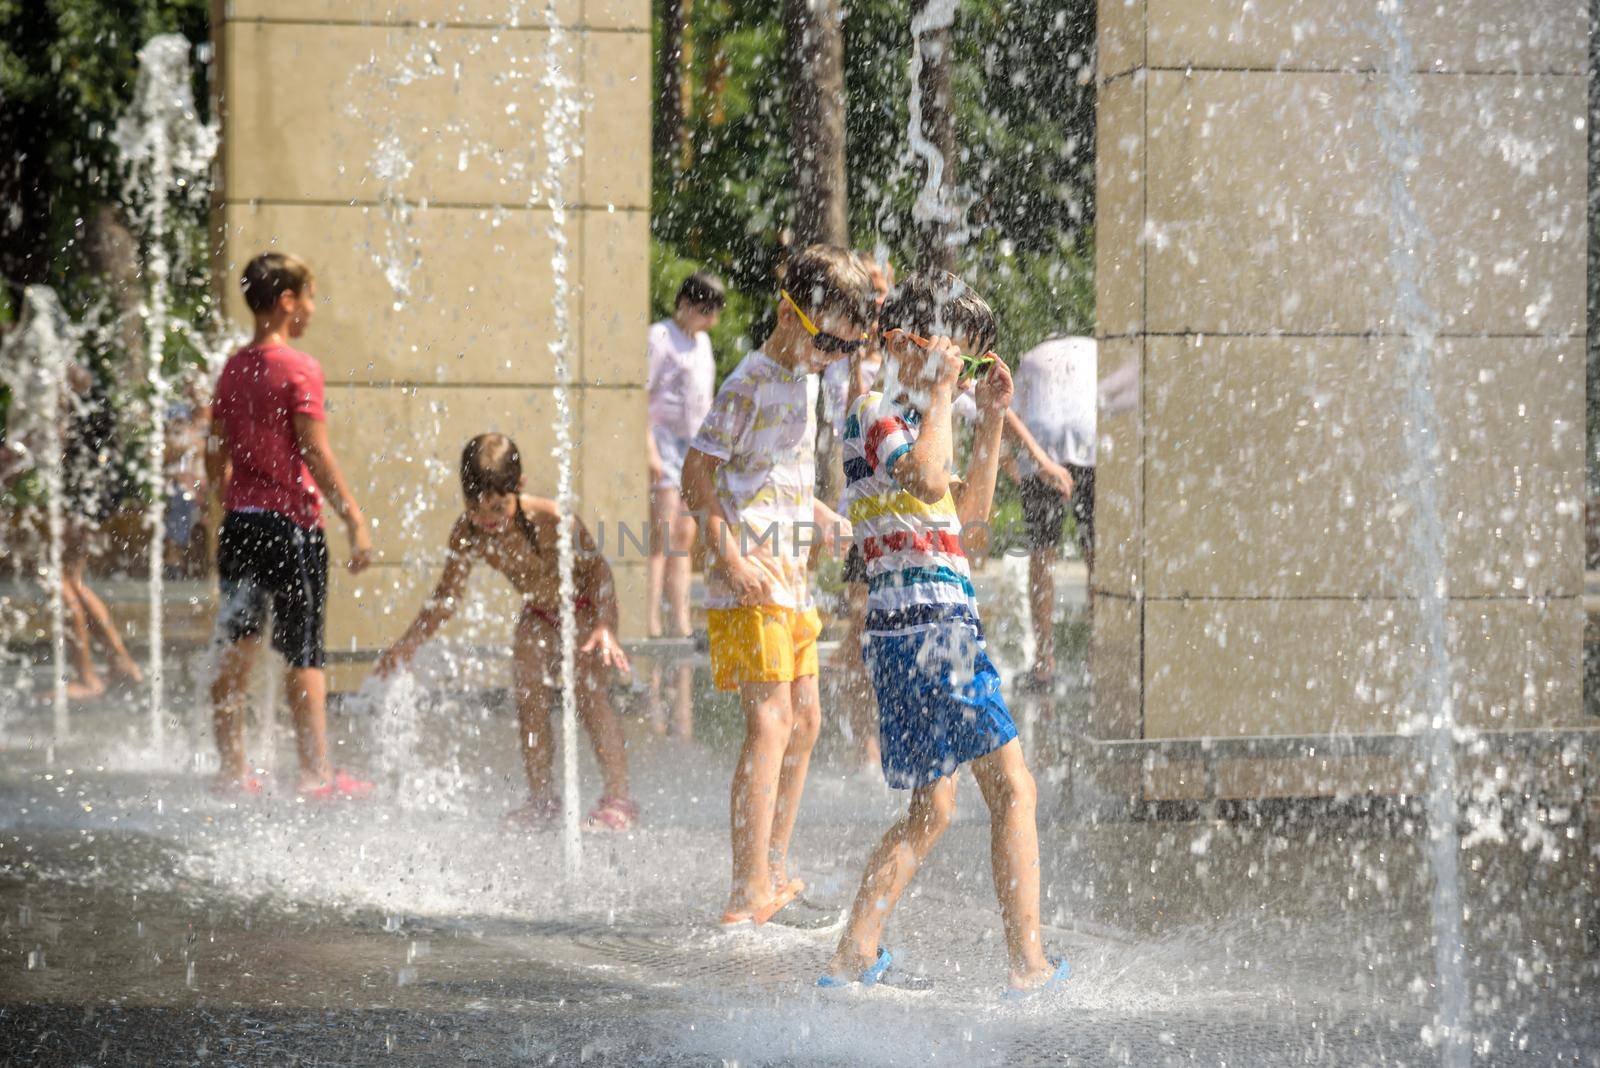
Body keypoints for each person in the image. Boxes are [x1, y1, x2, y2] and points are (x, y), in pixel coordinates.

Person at [819, 271, 1069, 995]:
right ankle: (1029, 966)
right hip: (933, 631)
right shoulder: (876, 411)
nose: (958, 380)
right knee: (1014, 790)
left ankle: (854, 955)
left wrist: (989, 419)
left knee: (934, 807)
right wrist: (938, 396)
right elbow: (930, 481)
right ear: (901, 345)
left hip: (915, 631)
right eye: (952, 361)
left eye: (969, 368)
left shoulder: (913, 417)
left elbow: (973, 522)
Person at [680, 244, 870, 925]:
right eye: (829, 342)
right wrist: (728, 558)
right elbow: (696, 477)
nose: (836, 358)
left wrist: (821, 515)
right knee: (769, 723)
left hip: (791, 577)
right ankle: (744, 889)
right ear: (791, 314)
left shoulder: (809, 382)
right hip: (748, 577)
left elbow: (772, 472)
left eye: (847, 348)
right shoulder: (750, 381)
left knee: (807, 721)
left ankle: (774, 870)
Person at [373, 433, 639, 832]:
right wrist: (408, 643)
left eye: (497, 507)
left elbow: (599, 570)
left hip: (585, 609)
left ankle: (618, 798)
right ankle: (542, 799)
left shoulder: (552, 519)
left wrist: (605, 625)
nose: (488, 520)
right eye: (476, 508)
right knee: (528, 699)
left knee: (588, 695)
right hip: (538, 612)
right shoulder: (467, 533)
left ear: (520, 486)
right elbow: (447, 598)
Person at [206, 252, 374, 799]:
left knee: (238, 643)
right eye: (309, 298)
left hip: (240, 525)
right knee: (304, 651)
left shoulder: (233, 368)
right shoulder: (300, 369)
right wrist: (352, 514)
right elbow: (315, 453)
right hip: (291, 528)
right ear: (286, 302)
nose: (311, 310)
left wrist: (227, 490)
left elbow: (214, 450)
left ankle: (233, 774)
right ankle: (315, 774)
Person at [644, 270, 724, 738]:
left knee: (685, 535)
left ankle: (678, 619)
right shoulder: (662, 337)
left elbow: (704, 398)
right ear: (689, 305)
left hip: (692, 447)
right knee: (663, 534)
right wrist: (651, 454)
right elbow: (643, 396)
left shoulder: (703, 345)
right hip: (663, 444)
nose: (713, 320)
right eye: (708, 310)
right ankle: (655, 622)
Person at [1003, 335, 1097, 689]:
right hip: (1091, 437)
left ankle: (1044, 662)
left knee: (1042, 553)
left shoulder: (1031, 356)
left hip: (1041, 440)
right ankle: (1097, 658)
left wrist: (1012, 460)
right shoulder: (1095, 349)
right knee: (1096, 553)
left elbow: (1011, 413)